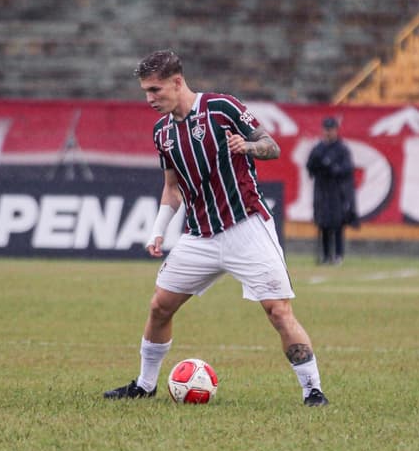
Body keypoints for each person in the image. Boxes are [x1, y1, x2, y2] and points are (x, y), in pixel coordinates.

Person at [103, 50, 329, 407]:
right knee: (160, 306)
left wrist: (249, 146)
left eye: (155, 90)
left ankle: (312, 390)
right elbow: (172, 188)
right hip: (199, 237)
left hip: (246, 227)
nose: (149, 99)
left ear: (178, 82)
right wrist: (158, 229)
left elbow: (272, 147)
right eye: (145, 91)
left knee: (278, 311)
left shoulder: (221, 107)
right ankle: (145, 385)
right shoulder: (162, 133)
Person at [306, 117, 358, 266]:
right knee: (323, 223)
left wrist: (333, 168)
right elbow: (310, 167)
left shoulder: (342, 149)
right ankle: (326, 255)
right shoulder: (318, 149)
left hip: (337, 191)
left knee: (337, 223)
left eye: (331, 129)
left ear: (336, 130)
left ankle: (338, 255)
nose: (328, 133)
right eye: (326, 129)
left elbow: (347, 169)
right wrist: (317, 164)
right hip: (321, 190)